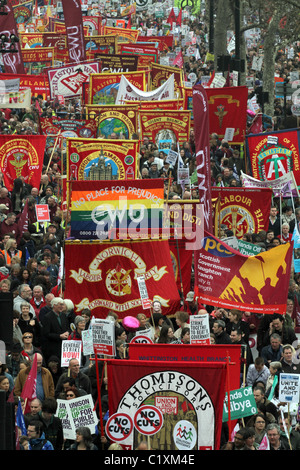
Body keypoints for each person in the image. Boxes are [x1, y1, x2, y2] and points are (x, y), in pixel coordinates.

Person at [41, 297, 70, 361]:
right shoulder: (47, 317)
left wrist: (68, 332)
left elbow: (68, 327)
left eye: (63, 304)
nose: (62, 306)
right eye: (60, 304)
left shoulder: (63, 315)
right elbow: (46, 333)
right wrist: (59, 336)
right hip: (52, 349)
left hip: (63, 347)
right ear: (54, 305)